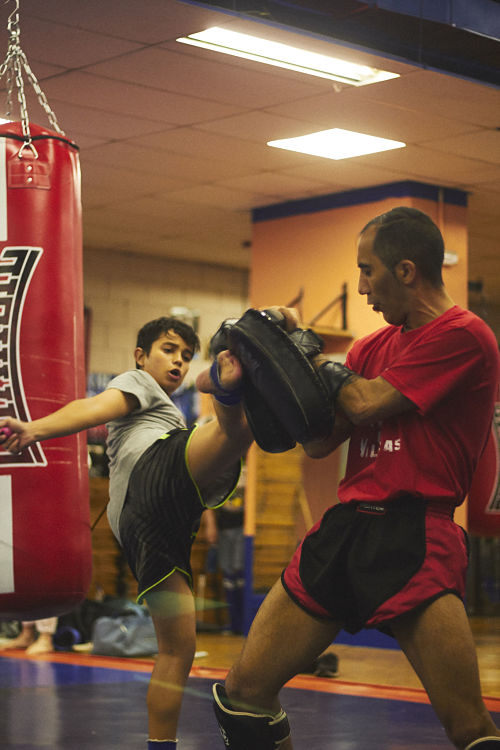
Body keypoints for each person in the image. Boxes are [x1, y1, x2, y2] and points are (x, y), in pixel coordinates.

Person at [212, 207, 500, 750]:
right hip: (345, 531)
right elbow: (322, 441)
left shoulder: (465, 336)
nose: (362, 286)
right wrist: (269, 379)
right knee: (242, 697)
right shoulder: (371, 348)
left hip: (413, 535)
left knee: (469, 728)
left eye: (368, 271)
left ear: (407, 271)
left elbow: (366, 403)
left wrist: (310, 356)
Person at [0, 315, 253, 750]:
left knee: (178, 650)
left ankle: (161, 745)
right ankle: (224, 385)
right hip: (152, 480)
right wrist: (35, 429)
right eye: (168, 350)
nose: (177, 361)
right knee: (236, 431)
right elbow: (96, 407)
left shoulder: (166, 408)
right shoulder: (138, 383)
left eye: (186, 357)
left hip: (152, 533)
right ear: (141, 356)